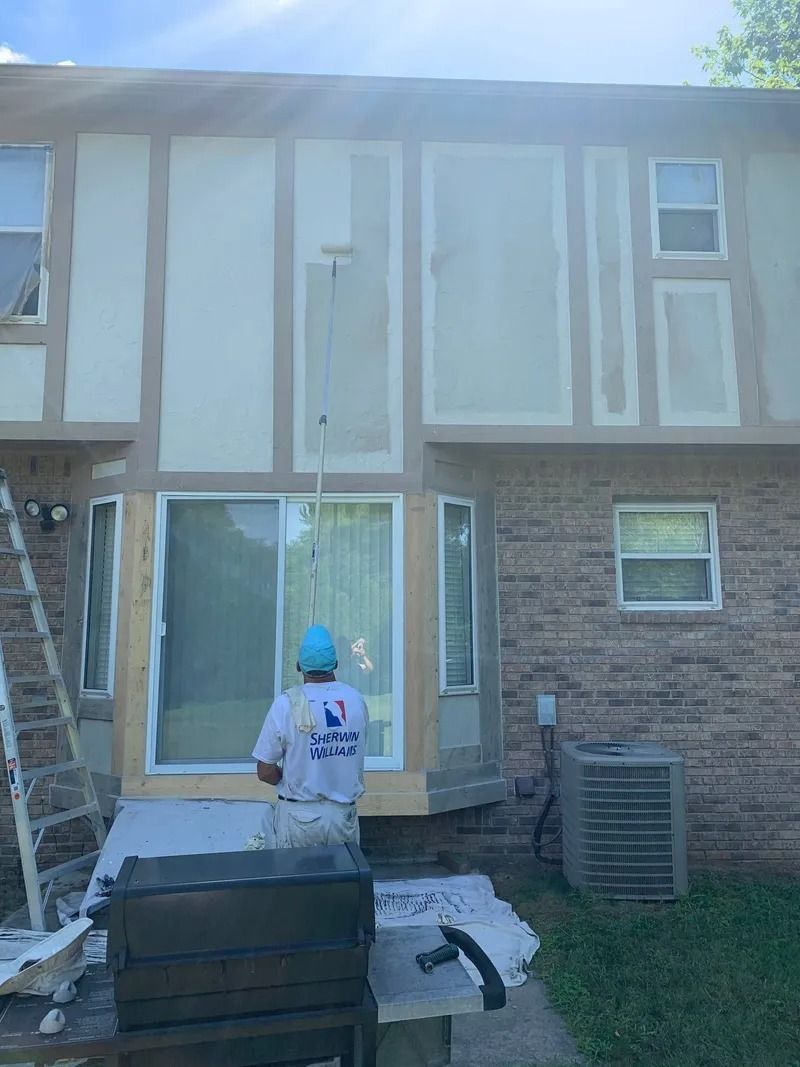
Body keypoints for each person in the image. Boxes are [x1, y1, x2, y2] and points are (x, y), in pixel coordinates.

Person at [253, 624, 368, 848]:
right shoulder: (356, 701)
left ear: (298, 665)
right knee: (342, 882)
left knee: (297, 882)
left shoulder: (286, 704)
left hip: (298, 818)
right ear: (335, 663)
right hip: (343, 817)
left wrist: (291, 779)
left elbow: (264, 771)